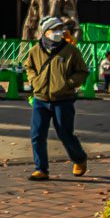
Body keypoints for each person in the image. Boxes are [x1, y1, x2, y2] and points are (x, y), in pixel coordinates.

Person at [24, 16, 90, 181]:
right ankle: (41, 169)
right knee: (37, 134)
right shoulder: (35, 51)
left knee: (65, 133)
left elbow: (82, 71)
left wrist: (68, 83)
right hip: (40, 99)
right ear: (46, 32)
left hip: (63, 100)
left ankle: (79, 159)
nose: (59, 32)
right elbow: (29, 66)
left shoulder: (71, 50)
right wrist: (34, 80)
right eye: (56, 29)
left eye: (61, 29)